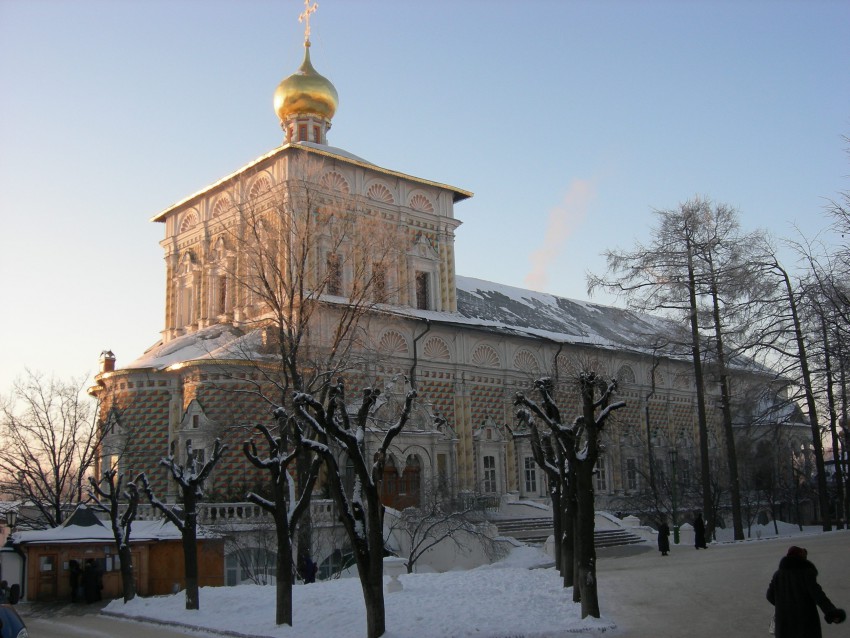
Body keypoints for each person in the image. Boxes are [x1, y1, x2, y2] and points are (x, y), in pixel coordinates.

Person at [767, 545, 846, 638]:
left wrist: (784, 606)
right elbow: (819, 596)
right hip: (805, 624)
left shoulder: (778, 574)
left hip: (784, 625)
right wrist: (832, 613)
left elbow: (769, 595)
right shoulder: (806, 573)